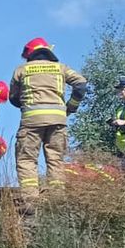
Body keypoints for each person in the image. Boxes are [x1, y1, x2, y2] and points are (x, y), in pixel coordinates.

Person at [9, 37, 88, 191]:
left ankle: (30, 198)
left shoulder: (21, 70)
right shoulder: (61, 68)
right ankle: (57, 197)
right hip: (58, 120)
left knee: (27, 159)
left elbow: (13, 97)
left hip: (31, 121)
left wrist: (26, 105)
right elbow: (81, 84)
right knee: (55, 159)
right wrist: (70, 107)